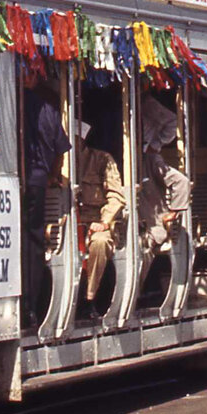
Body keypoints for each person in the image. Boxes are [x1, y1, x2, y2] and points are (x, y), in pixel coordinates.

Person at [19, 80, 65, 325]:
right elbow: (61, 149)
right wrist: (52, 176)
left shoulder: (16, 99)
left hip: (16, 176)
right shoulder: (48, 110)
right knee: (33, 242)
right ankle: (31, 308)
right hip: (37, 181)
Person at [76, 117, 126, 319]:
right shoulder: (58, 163)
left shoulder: (102, 160)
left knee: (100, 243)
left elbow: (116, 197)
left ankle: (89, 298)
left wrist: (104, 221)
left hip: (95, 222)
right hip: (67, 224)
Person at [138, 149, 193, 318]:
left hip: (152, 225)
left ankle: (136, 294)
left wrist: (174, 211)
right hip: (124, 225)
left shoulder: (151, 161)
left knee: (142, 246)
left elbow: (181, 181)